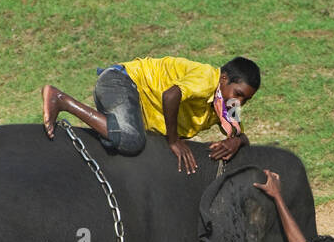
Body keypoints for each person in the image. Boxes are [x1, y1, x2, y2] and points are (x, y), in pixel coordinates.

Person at [42, 56, 259, 174]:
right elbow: (170, 95)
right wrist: (173, 141)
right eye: (238, 94)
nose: (239, 102)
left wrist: (236, 142)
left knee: (128, 149)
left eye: (245, 100)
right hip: (121, 82)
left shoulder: (228, 102)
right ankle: (62, 100)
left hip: (135, 108)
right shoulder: (206, 78)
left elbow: (241, 135)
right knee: (131, 139)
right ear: (223, 79)